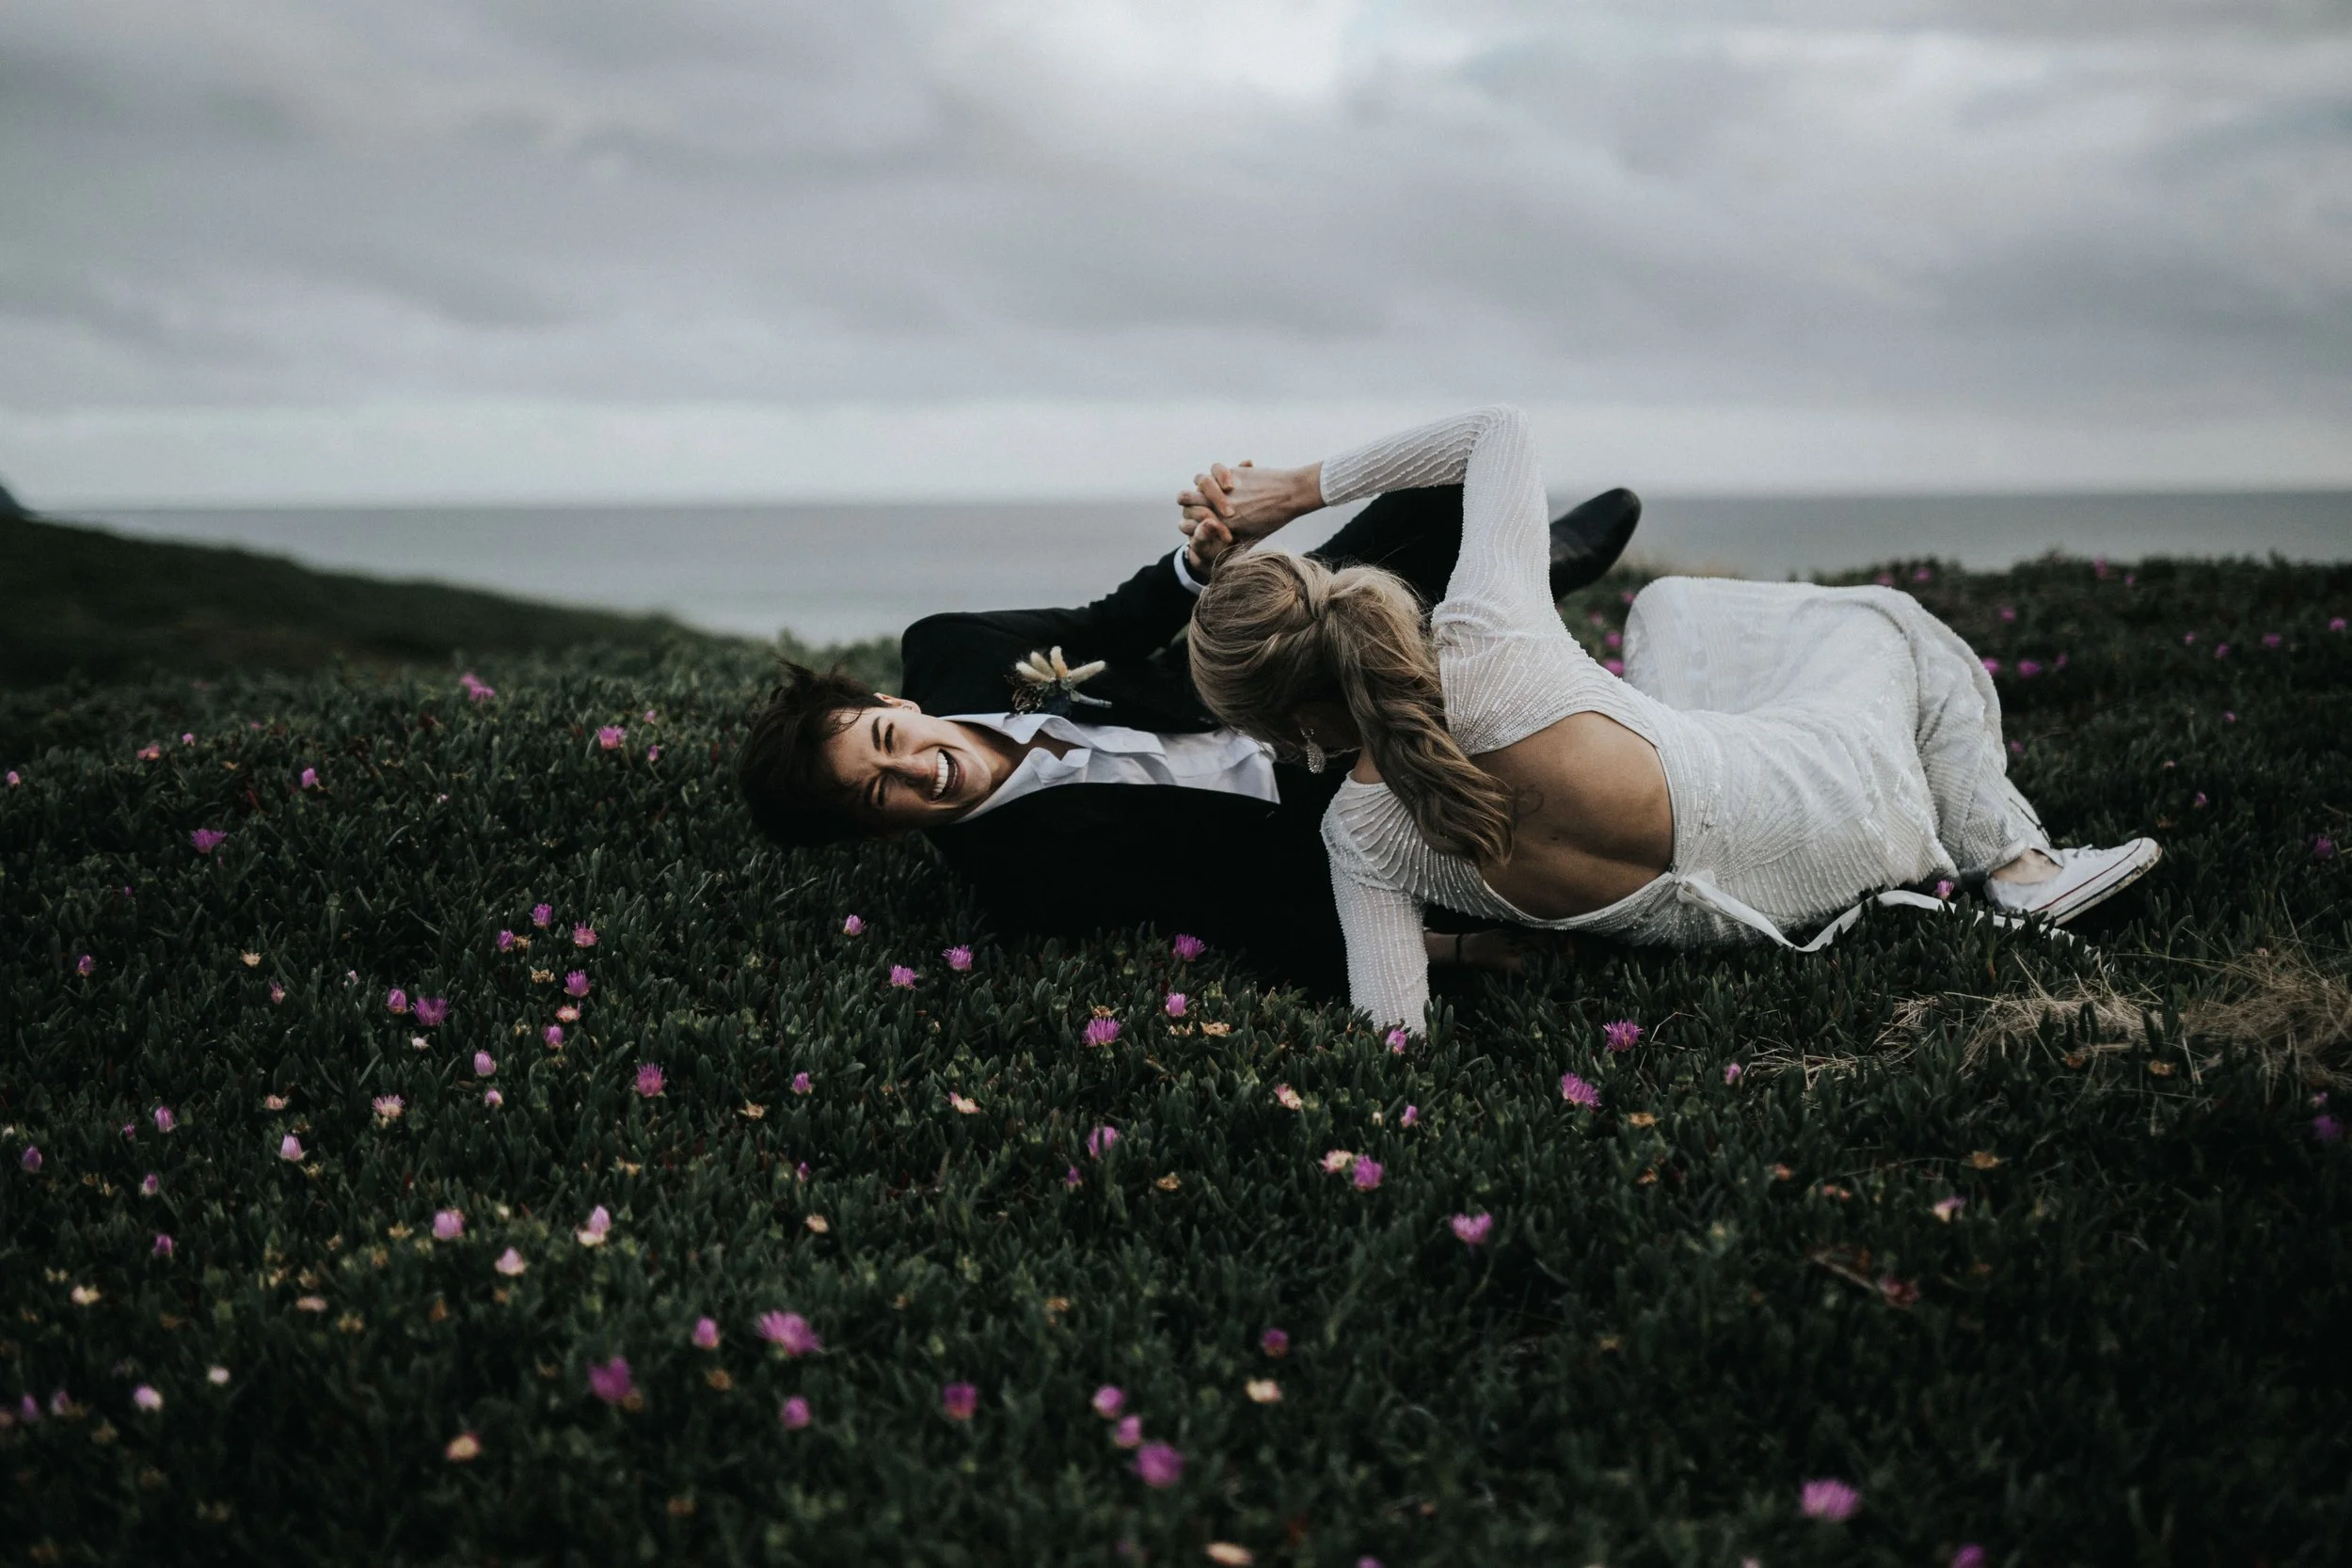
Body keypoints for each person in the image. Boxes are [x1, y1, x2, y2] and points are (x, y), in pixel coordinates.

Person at [1181, 406, 2162, 1028]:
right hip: (1840, 802)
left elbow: (1395, 1036)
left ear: (1291, 731)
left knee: (1667, 607)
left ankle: (1995, 855)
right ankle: (2017, 864)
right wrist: (1288, 494)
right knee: (1881, 619)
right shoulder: (1487, 632)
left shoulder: (1359, 842)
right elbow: (1494, 433)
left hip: (1744, 904)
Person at [736, 479, 1644, 999]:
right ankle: (1495, 626)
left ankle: (1534, 568)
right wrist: (1449, 952)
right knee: (1523, 806)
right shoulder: (1018, 880)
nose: (914, 766)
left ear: (893, 700)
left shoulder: (950, 649)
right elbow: (1227, 907)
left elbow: (1105, 627)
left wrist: (1197, 565)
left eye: (886, 736)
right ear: (881, 830)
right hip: (1314, 803)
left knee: (1434, 498)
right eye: (880, 790)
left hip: (1249, 678)